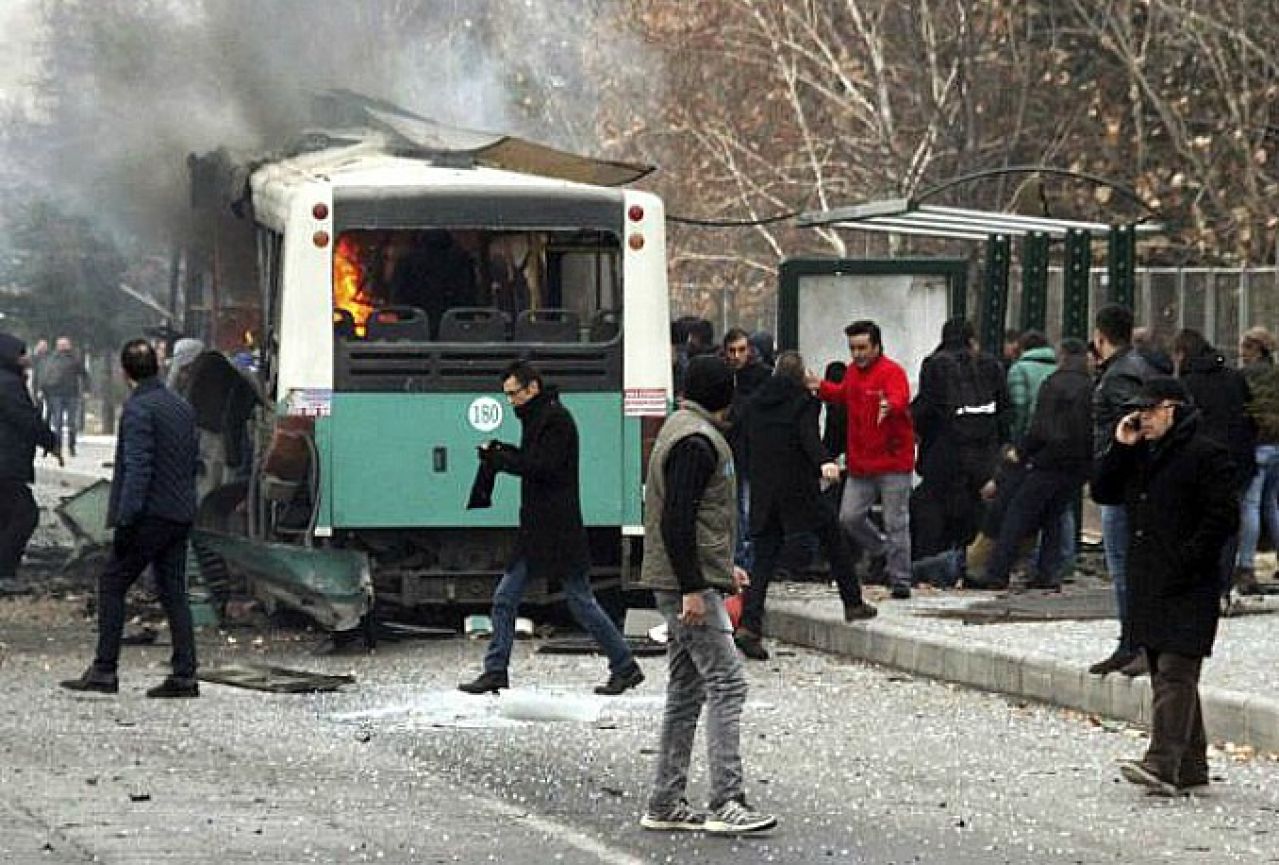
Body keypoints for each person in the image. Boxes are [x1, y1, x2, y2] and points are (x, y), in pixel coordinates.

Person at [636, 354, 776, 835]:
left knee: (685, 690)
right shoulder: (698, 442)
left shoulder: (680, 429)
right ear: (726, 394)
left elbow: (692, 521)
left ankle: (666, 800)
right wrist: (696, 586)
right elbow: (678, 521)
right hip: (684, 588)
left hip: (679, 580)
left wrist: (720, 569)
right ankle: (726, 800)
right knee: (727, 682)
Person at [459, 362, 643, 696]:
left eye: (514, 394)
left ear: (532, 388)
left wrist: (501, 460)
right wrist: (504, 453)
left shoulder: (554, 420)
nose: (510, 402)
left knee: (577, 601)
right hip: (543, 528)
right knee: (511, 598)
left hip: (555, 529)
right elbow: (536, 461)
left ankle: (625, 664)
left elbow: (542, 466)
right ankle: (496, 669)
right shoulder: (543, 417)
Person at [1092, 377, 1237, 796]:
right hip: (1151, 579)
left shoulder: (1207, 453)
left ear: (1173, 408)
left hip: (1190, 580)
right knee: (1164, 668)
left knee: (1176, 668)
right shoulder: (1143, 453)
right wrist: (1121, 445)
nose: (1143, 419)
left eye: (1150, 411)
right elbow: (1104, 491)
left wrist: (1190, 558)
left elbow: (1223, 518)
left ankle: (1161, 762)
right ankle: (1191, 763)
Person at [60, 340, 201, 698]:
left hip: (149, 515)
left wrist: (125, 521)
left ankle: (105, 670)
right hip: (180, 512)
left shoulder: (138, 410)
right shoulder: (181, 407)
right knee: (174, 592)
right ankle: (185, 674)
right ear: (157, 365)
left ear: (125, 374)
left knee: (112, 583)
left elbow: (138, 469)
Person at [733, 352, 876, 660]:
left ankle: (748, 625)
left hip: (764, 490)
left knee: (764, 560)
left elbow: (741, 439)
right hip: (798, 488)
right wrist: (825, 462)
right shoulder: (804, 401)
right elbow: (807, 436)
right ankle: (852, 601)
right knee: (833, 536)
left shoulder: (755, 402)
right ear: (800, 376)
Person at [966, 339, 1092, 591]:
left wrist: (1022, 452)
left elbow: (1040, 427)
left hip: (1048, 460)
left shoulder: (1054, 384)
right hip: (1077, 464)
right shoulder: (1090, 385)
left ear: (1062, 356)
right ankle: (1048, 572)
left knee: (1018, 514)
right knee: (1053, 517)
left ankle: (997, 572)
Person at [811, 320, 916, 599]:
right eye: (853, 348)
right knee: (849, 517)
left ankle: (900, 579)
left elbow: (900, 397)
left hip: (892, 461)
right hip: (862, 462)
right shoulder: (853, 374)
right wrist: (819, 387)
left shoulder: (892, 372)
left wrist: (890, 405)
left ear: (877, 347)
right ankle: (882, 549)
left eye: (862, 348)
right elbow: (843, 394)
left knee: (897, 521)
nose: (857, 354)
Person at [1087, 304, 1156, 677]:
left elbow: (1129, 431)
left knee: (1125, 566)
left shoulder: (1118, 377)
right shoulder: (1139, 367)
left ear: (1101, 336)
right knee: (1129, 565)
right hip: (1129, 484)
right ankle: (1132, 643)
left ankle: (1134, 643)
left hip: (1121, 485)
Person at [911, 318, 1008, 565]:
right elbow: (1005, 411)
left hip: (944, 455)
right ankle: (971, 565)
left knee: (932, 511)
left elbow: (926, 410)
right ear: (971, 339)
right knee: (974, 513)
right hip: (983, 455)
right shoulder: (991, 365)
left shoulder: (935, 364)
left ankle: (931, 566)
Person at [1172, 328, 1254, 603]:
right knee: (1229, 523)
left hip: (1200, 462)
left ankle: (1202, 585)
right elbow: (1248, 415)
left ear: (1182, 354)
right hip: (1237, 461)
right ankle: (1224, 586)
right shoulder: (1234, 377)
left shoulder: (1186, 385)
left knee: (1196, 523)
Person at [0, 334, 60, 596]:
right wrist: (51, 441)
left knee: (5, 517)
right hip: (6, 463)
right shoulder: (9, 384)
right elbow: (26, 419)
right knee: (25, 515)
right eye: (21, 353)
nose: (27, 358)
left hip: (7, 461)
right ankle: (4, 573)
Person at [722, 326, 771, 571]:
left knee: (748, 507)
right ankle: (742, 559)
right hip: (736, 449)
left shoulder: (761, 376)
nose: (736, 356)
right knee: (737, 507)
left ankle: (749, 560)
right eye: (732, 351)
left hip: (754, 450)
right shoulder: (727, 376)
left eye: (741, 350)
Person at [1237, 326, 1279, 594]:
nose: (1241, 353)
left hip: (1257, 445)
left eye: (1245, 347)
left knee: (1250, 505)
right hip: (1278, 445)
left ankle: (1246, 565)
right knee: (1272, 504)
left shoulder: (1244, 377)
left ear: (1255, 349)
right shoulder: (1277, 375)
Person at [41, 336, 90, 457]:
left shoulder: (74, 359)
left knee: (71, 422)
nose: (63, 346)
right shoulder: (52, 359)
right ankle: (58, 446)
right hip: (55, 394)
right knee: (57, 422)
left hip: (71, 394)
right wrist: (43, 390)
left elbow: (84, 374)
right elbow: (44, 376)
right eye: (61, 344)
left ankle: (71, 446)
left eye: (65, 344)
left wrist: (86, 390)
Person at [1006, 330, 1056, 445]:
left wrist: (1015, 439)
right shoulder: (1057, 368)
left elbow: (1020, 407)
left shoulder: (1019, 369)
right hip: (1054, 434)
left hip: (1030, 435)